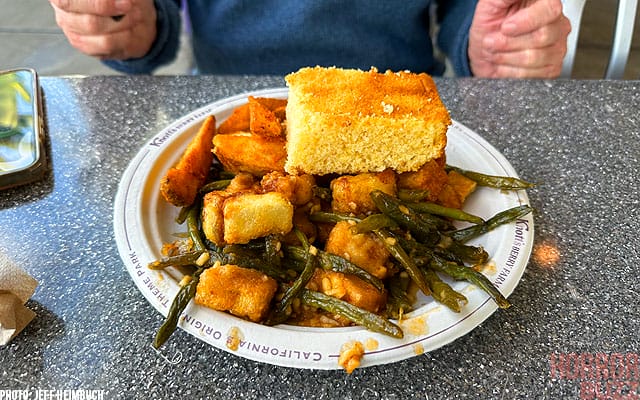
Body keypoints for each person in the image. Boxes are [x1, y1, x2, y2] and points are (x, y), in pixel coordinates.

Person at [48, 0, 570, 78]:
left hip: (401, 94)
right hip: (226, 98)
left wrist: (488, 43)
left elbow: (462, 9)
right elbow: (147, 14)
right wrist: (125, 27)